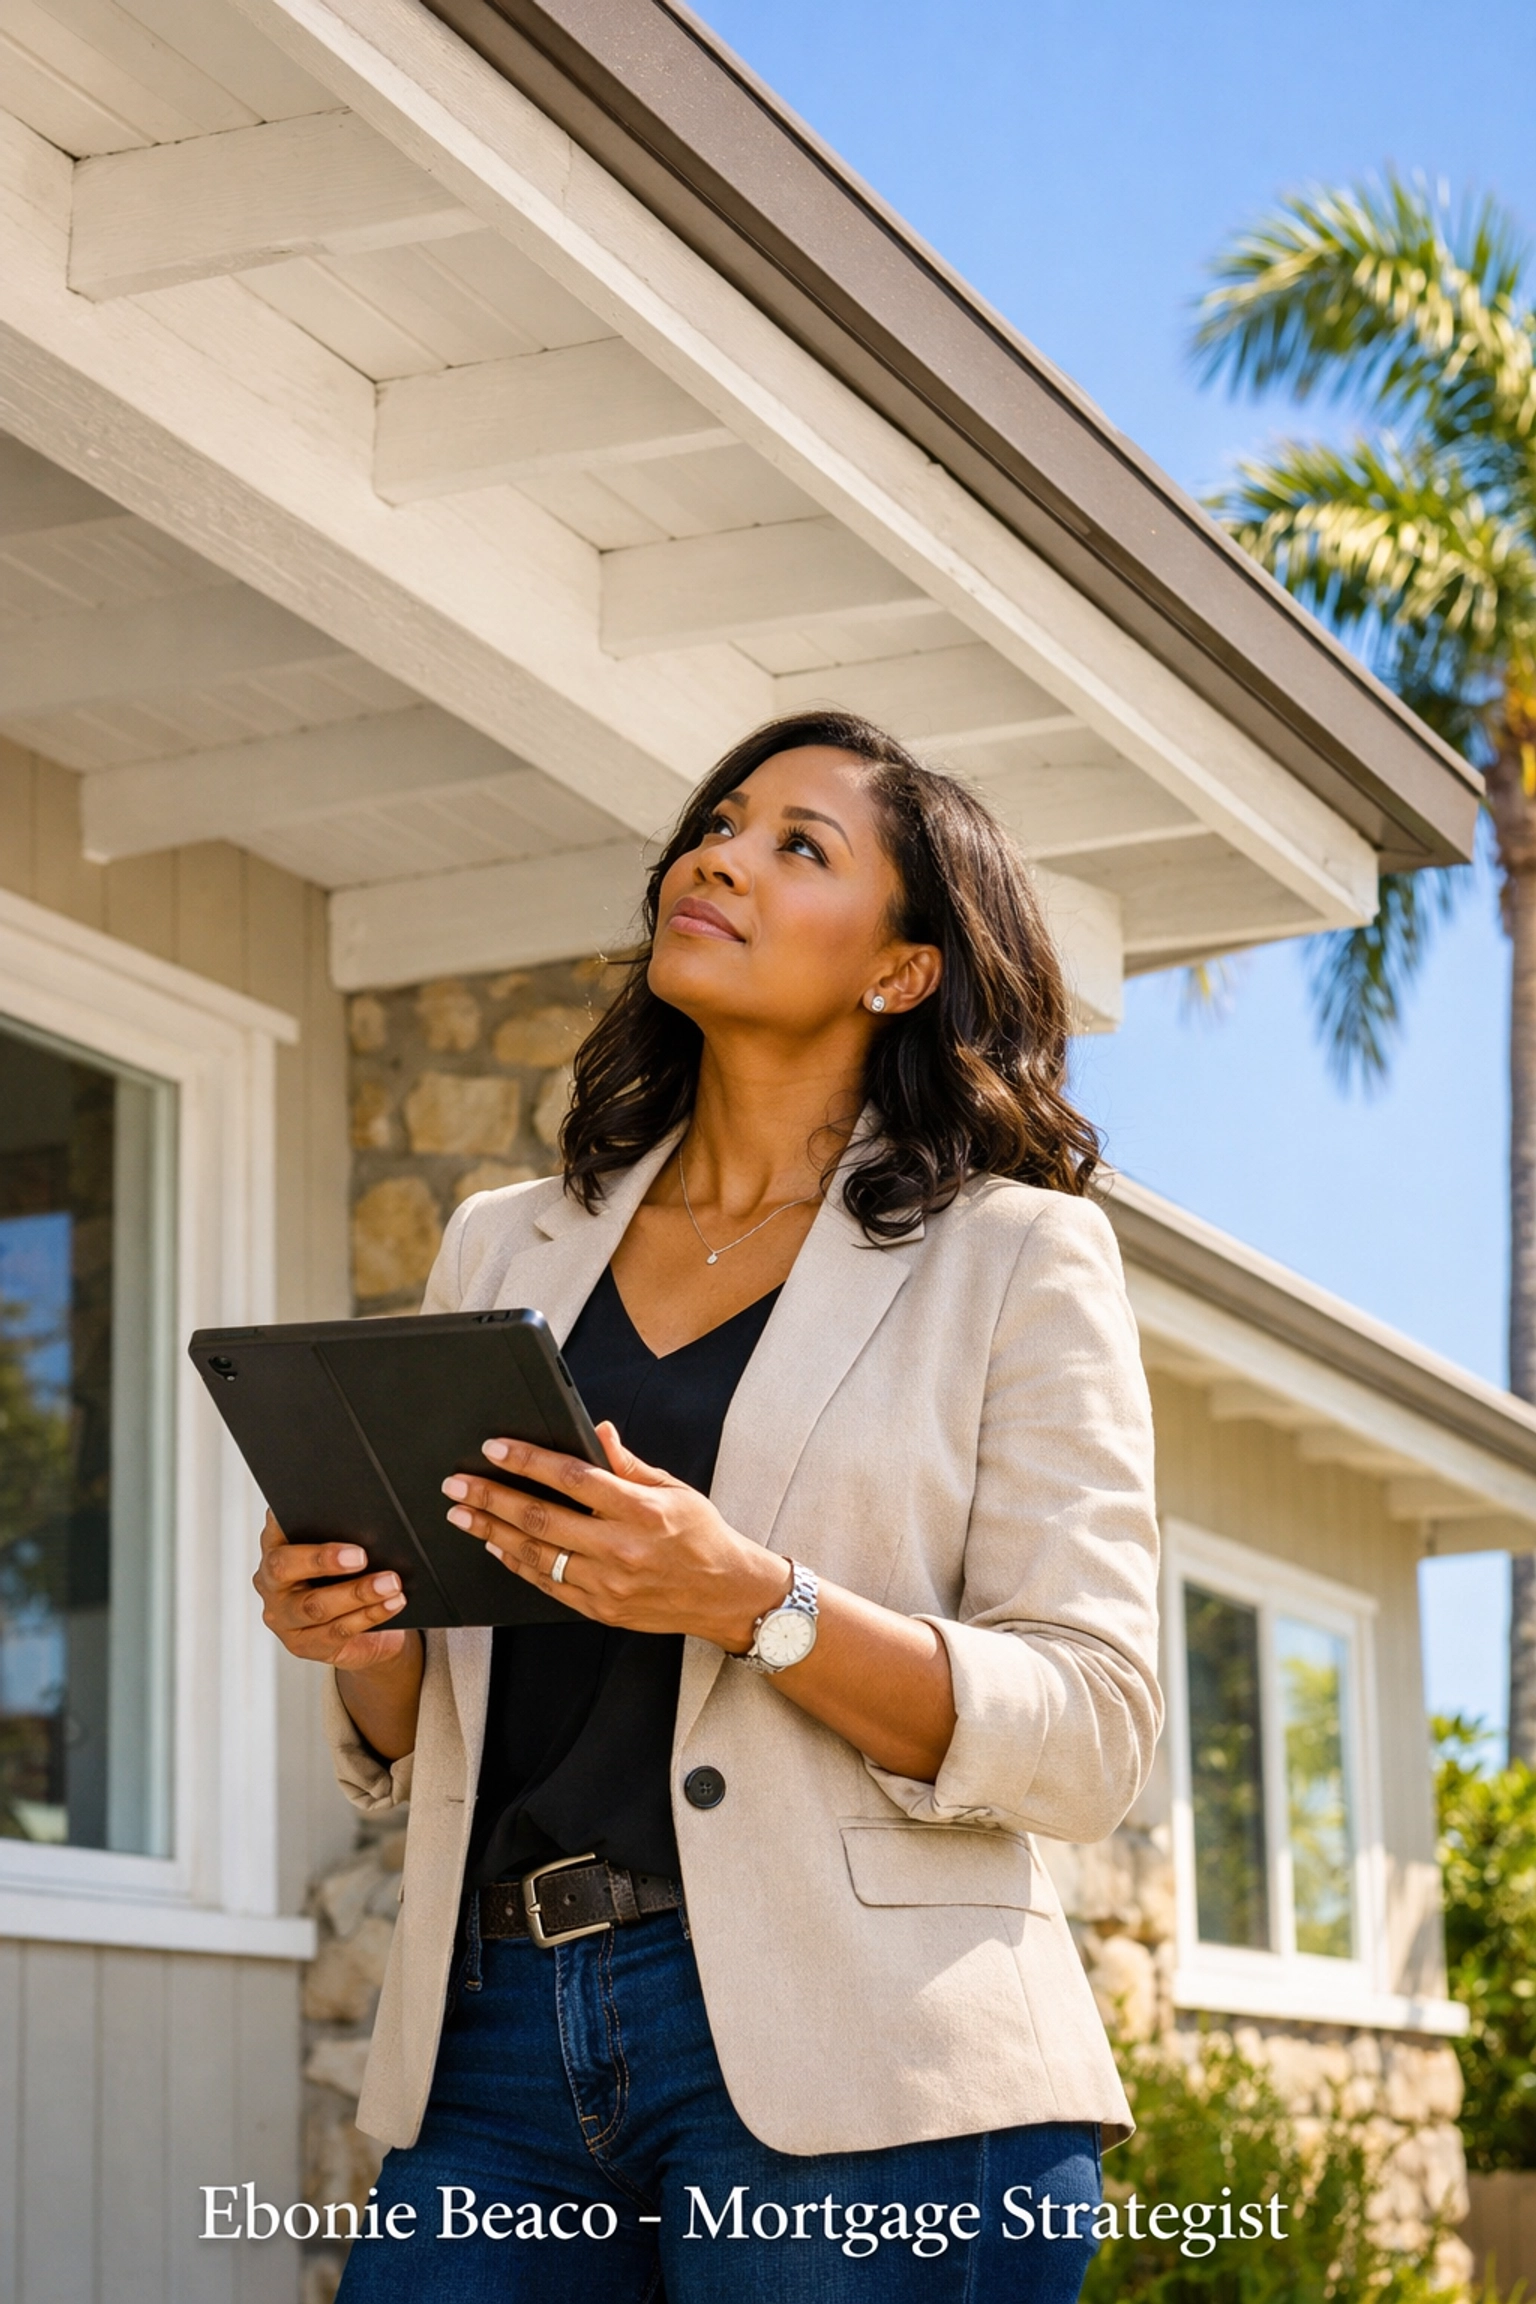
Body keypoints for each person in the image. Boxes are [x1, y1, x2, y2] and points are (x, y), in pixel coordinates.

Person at [254, 711, 1162, 2302]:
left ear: (902, 969)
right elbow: (437, 1710)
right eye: (719, 823)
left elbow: (1091, 1730)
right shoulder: (504, 1243)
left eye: (799, 845)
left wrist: (757, 1604)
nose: (720, 857)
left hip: (871, 2054)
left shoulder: (1016, 1254)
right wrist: (363, 1629)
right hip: (497, 2043)